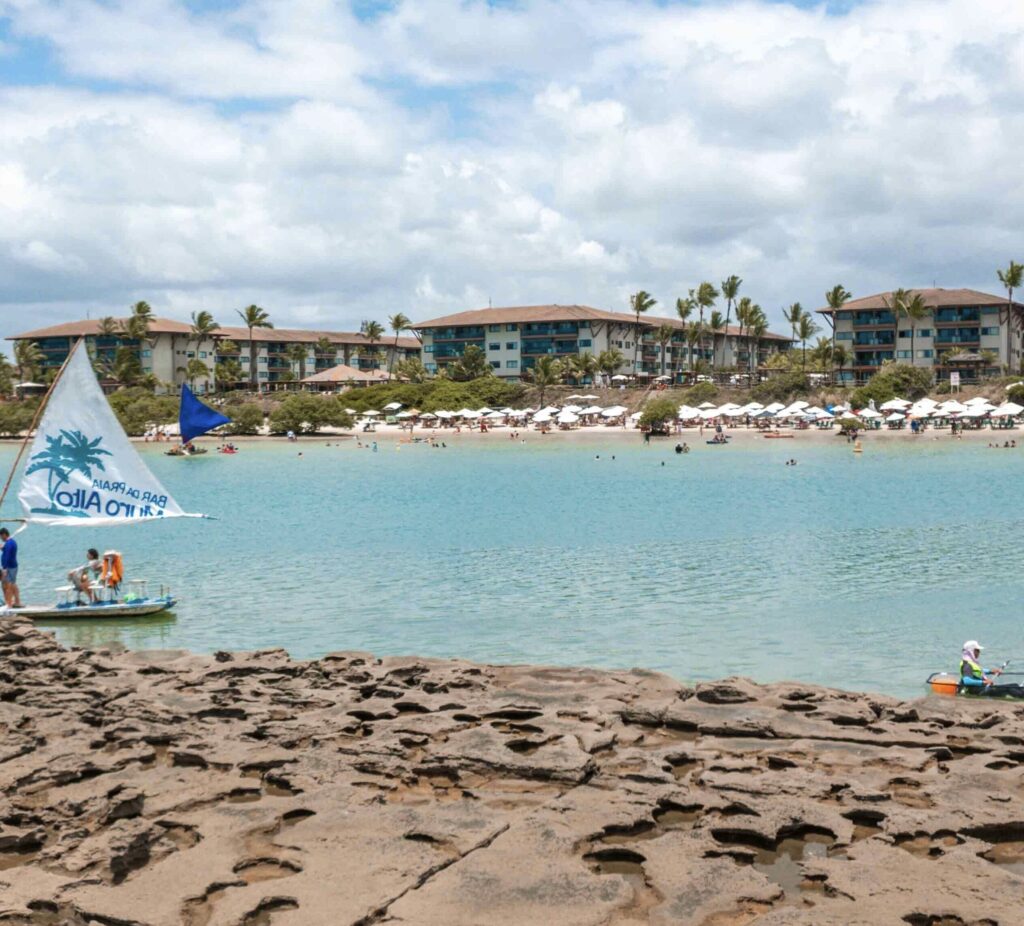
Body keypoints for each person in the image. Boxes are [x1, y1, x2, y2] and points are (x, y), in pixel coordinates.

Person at [0, 528, 21, 609]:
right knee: (12, 584)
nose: (1, 538)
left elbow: (8, 556)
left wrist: (4, 568)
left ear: (4, 534)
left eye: (1, 536)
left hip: (9, 567)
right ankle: (16, 602)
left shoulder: (9, 544)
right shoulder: (11, 542)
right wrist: (2, 548)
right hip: (12, 566)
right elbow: (8, 552)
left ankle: (9, 604)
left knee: (7, 585)